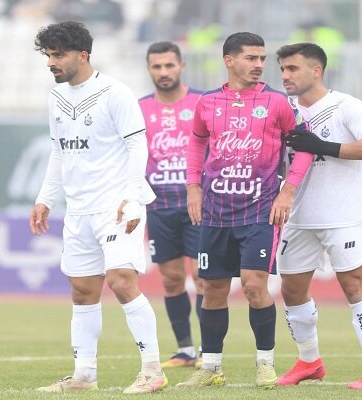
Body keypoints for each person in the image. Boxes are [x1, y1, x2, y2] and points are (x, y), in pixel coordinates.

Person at [30, 21, 167, 394]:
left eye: (58, 55)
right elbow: (59, 150)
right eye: (49, 55)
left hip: (116, 204)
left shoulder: (115, 92)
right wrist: (45, 197)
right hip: (78, 208)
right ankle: (84, 376)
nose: (51, 63)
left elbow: (137, 146)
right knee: (82, 290)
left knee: (121, 280)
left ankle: (153, 370)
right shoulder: (56, 97)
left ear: (82, 55)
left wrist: (133, 196)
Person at [176, 32, 313, 389]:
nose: (259, 65)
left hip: (259, 212)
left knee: (254, 286)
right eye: (251, 58)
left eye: (262, 59)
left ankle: (265, 364)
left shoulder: (278, 103)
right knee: (211, 288)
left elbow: (305, 147)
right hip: (216, 212)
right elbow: (196, 143)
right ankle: (211, 367)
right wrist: (193, 186)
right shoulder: (207, 102)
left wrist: (287, 193)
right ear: (229, 60)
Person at [275, 42, 362, 390]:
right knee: (291, 290)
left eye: (292, 68)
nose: (285, 75)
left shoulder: (346, 106)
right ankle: (309, 361)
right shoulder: (283, 109)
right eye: (282, 69)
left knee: (354, 287)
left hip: (343, 214)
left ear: (316, 70)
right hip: (298, 216)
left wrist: (323, 147)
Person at [139, 41, 204, 369]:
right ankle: (186, 350)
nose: (163, 72)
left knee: (203, 276)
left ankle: (209, 349)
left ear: (181, 66)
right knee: (172, 279)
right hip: (160, 205)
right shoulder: (139, 109)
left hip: (198, 203)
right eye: (157, 66)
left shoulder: (202, 102)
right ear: (149, 69)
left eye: (169, 65)